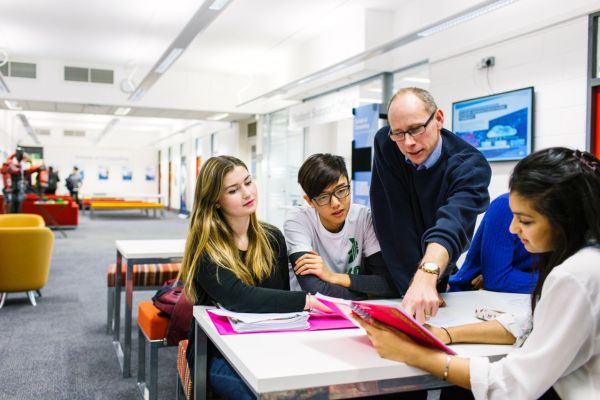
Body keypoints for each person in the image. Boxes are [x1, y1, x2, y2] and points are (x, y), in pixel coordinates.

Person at [356, 147, 600, 399]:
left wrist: (410, 353)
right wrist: (444, 335)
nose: (513, 228)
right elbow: (529, 325)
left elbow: (511, 386)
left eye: (525, 220)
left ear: (566, 218)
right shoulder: (583, 261)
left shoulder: (576, 275)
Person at [177, 155, 329, 400]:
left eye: (248, 182)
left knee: (320, 390)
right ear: (216, 201)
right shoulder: (206, 246)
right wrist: (306, 300)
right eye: (234, 190)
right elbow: (238, 298)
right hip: (216, 352)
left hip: (267, 343)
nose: (247, 193)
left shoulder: (271, 237)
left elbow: (279, 298)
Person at [370, 87, 491, 324]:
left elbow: (452, 223)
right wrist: (411, 287)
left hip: (438, 266)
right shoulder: (387, 145)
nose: (409, 143)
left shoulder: (470, 167)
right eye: (399, 133)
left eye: (416, 129)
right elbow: (394, 221)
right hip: (400, 273)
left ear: (438, 119)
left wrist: (428, 278)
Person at [284, 153, 397, 300]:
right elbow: (314, 289)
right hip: (311, 315)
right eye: (324, 197)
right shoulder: (298, 220)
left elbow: (388, 284)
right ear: (309, 201)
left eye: (341, 190)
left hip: (355, 312)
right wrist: (368, 293)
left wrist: (332, 277)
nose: (336, 203)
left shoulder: (363, 217)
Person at [449, 193, 537, 293]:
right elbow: (498, 279)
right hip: (471, 296)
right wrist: (552, 283)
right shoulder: (506, 205)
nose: (513, 228)